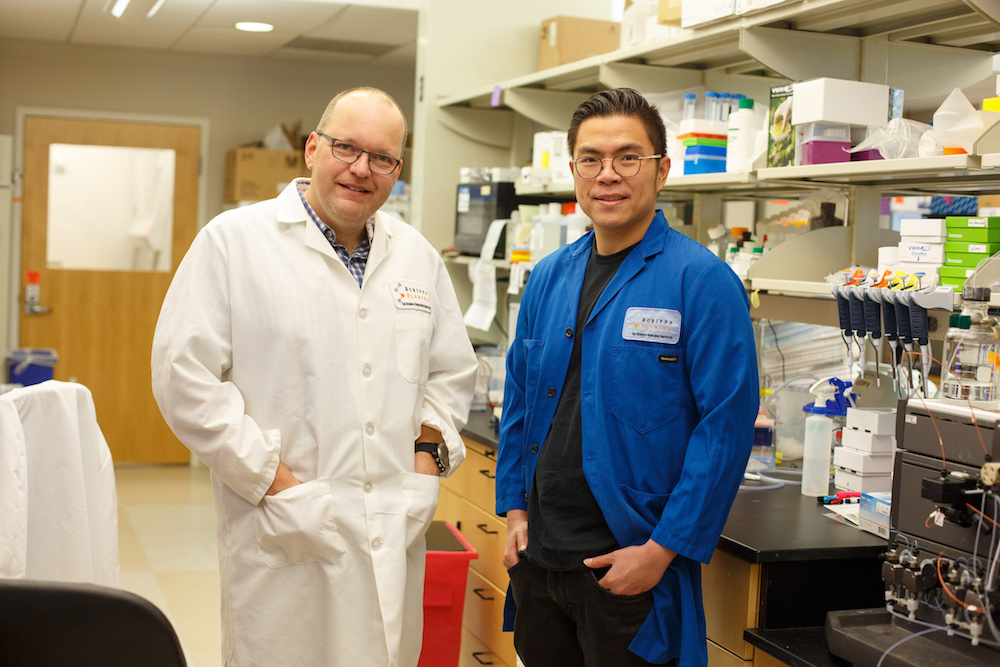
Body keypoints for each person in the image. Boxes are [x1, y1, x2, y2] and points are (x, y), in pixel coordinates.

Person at [151, 87, 477, 667]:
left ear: (397, 171)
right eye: (346, 147)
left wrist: (427, 457)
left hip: (391, 523)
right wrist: (273, 480)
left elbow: (451, 372)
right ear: (311, 148)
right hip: (284, 525)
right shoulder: (233, 243)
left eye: (382, 158)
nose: (361, 169)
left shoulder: (416, 257)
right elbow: (183, 377)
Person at [495, 88, 759, 666]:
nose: (607, 175)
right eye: (590, 159)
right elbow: (519, 399)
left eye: (627, 157)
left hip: (630, 567)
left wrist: (662, 551)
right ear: (573, 171)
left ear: (661, 170)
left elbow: (726, 427)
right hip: (539, 561)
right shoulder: (547, 277)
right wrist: (515, 510)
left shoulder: (703, 282)